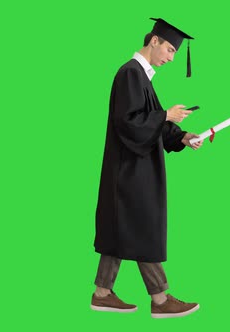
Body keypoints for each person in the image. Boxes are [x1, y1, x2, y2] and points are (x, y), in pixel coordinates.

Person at [92, 18, 203, 319]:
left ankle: (102, 293)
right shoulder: (130, 73)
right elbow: (128, 123)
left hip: (133, 170)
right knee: (142, 228)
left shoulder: (141, 77)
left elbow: (148, 122)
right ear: (154, 41)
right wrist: (166, 114)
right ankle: (160, 298)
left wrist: (182, 136)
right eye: (169, 50)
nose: (170, 57)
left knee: (123, 229)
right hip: (130, 172)